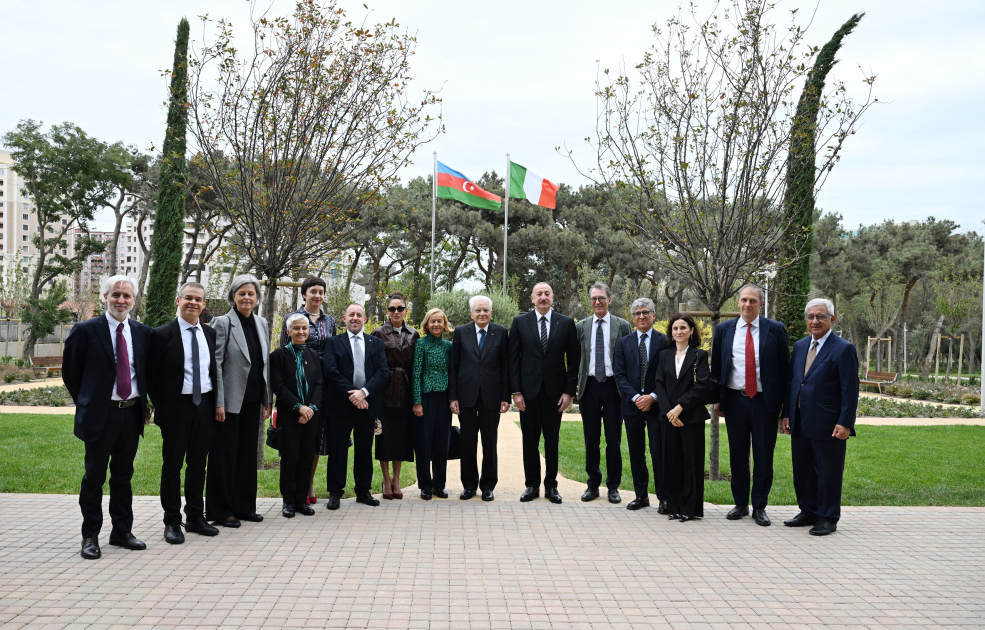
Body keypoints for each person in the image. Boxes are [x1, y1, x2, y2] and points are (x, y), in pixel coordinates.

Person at [64, 275, 150, 559]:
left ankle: (121, 531)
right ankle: (90, 536)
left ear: (134, 300)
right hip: (101, 417)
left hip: (131, 415)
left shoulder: (141, 332)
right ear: (105, 297)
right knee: (94, 478)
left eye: (127, 296)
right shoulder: (85, 330)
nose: (121, 300)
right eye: (115, 295)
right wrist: (89, 402)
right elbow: (72, 374)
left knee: (123, 478)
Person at [711, 284, 789, 526]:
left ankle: (760, 506)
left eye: (753, 301)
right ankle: (741, 504)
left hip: (765, 403)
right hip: (735, 400)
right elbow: (716, 368)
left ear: (761, 304)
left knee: (764, 457)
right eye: (744, 300)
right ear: (737, 302)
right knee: (737, 454)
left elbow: (785, 370)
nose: (748, 304)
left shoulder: (775, 329)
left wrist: (784, 406)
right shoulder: (724, 330)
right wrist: (717, 398)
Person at [147, 282, 219, 544]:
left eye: (198, 299)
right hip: (176, 409)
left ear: (204, 304)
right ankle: (172, 521)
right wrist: (163, 408)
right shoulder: (162, 334)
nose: (193, 303)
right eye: (188, 298)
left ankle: (195, 518)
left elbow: (213, 372)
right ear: (178, 301)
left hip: (205, 407)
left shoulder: (210, 334)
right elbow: (151, 377)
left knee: (198, 466)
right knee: (173, 467)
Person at [781, 299, 859, 536]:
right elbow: (794, 382)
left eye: (821, 317)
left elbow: (849, 388)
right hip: (799, 420)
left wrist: (845, 422)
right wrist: (786, 413)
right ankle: (808, 511)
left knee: (828, 472)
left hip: (829, 423)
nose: (815, 321)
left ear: (832, 320)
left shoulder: (843, 348)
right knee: (802, 469)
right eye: (811, 317)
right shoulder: (800, 345)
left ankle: (828, 517)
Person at [205, 275, 272, 527]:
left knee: (247, 455)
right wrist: (218, 402)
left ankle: (244, 507)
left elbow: (264, 364)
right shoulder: (222, 323)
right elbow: (216, 364)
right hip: (229, 403)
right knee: (224, 456)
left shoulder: (262, 323)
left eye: (251, 294)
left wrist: (267, 399)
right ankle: (221, 511)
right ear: (233, 296)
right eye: (241, 293)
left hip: (254, 400)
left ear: (257, 298)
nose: (246, 298)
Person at [509, 282, 580, 504]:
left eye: (547, 294)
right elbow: (513, 360)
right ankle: (531, 485)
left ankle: (551, 486)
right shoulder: (520, 322)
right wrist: (516, 391)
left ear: (552, 297)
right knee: (529, 441)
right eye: (538, 294)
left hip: (555, 394)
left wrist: (569, 392)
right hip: (528, 393)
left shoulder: (566, 323)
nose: (543, 297)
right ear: (532, 298)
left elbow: (574, 361)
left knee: (552, 440)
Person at [322, 303, 389, 509]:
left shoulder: (376, 343)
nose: (355, 318)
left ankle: (363, 491)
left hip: (367, 405)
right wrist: (353, 394)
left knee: (363, 450)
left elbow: (382, 372)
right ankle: (335, 493)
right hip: (340, 404)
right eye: (351, 314)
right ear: (344, 318)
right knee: (338, 451)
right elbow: (331, 371)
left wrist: (364, 393)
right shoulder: (333, 342)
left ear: (365, 320)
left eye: (359, 315)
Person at [280, 276, 338, 506]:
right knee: (295, 438)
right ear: (304, 294)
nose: (317, 295)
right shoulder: (292, 318)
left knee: (316, 436)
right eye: (313, 291)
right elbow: (284, 351)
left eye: (321, 291)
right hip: (298, 383)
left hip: (322, 384)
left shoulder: (330, 320)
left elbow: (333, 350)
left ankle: (309, 482)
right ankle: (291, 491)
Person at [575, 282, 632, 504]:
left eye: (601, 298)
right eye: (593, 298)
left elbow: (629, 357)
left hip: (613, 387)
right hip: (589, 387)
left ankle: (613, 486)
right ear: (590, 301)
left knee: (613, 440)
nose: (597, 302)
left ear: (609, 299)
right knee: (591, 439)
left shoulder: (623, 325)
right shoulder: (581, 327)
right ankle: (592, 484)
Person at [449, 295, 510, 502]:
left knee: (489, 443)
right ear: (471, 313)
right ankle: (469, 485)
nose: (482, 314)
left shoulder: (501, 332)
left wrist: (505, 397)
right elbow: (454, 366)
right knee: (467, 442)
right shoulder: (460, 332)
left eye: (485, 310)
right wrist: (453, 397)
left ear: (491, 313)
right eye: (478, 310)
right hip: (466, 396)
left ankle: (488, 486)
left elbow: (505, 367)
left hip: (492, 397)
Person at [653, 313, 711, 522]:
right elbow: (659, 384)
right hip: (668, 417)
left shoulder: (699, 355)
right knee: (671, 462)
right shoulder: (664, 355)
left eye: (683, 328)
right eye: (675, 328)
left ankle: (689, 508)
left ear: (691, 331)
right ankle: (674, 506)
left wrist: (680, 408)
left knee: (691, 463)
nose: (679, 332)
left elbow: (701, 386)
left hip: (691, 417)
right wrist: (670, 411)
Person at [613, 298, 669, 512]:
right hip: (632, 407)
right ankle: (641, 496)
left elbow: (667, 375)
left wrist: (652, 396)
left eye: (646, 312)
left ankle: (663, 498)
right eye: (637, 313)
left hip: (656, 407)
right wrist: (637, 398)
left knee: (658, 452)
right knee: (636, 453)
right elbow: (620, 375)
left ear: (654, 315)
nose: (642, 316)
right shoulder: (624, 342)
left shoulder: (664, 341)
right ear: (632, 317)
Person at [270, 314, 323, 518]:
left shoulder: (313, 356)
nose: (301, 332)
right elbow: (279, 386)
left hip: (311, 415)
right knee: (290, 458)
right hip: (290, 415)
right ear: (288, 331)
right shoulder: (278, 356)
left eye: (304, 328)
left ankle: (302, 500)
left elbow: (318, 384)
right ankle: (288, 502)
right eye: (296, 328)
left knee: (306, 457)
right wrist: (299, 407)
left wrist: (311, 408)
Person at [370, 292, 418, 499]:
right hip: (384, 390)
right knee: (384, 437)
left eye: (400, 308)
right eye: (392, 309)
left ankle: (397, 479)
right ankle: (386, 479)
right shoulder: (378, 333)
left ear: (406, 311)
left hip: (406, 391)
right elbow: (371, 364)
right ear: (387, 312)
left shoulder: (414, 334)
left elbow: (416, 366)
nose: (396, 312)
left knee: (401, 438)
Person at [411, 308, 455, 500]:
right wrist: (417, 401)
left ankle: (439, 485)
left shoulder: (449, 346)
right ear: (427, 324)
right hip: (425, 399)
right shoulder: (420, 344)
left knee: (441, 443)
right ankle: (425, 485)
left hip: (444, 399)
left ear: (445, 325)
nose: (436, 324)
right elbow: (416, 373)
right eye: (432, 321)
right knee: (424, 443)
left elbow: (453, 373)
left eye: (440, 321)